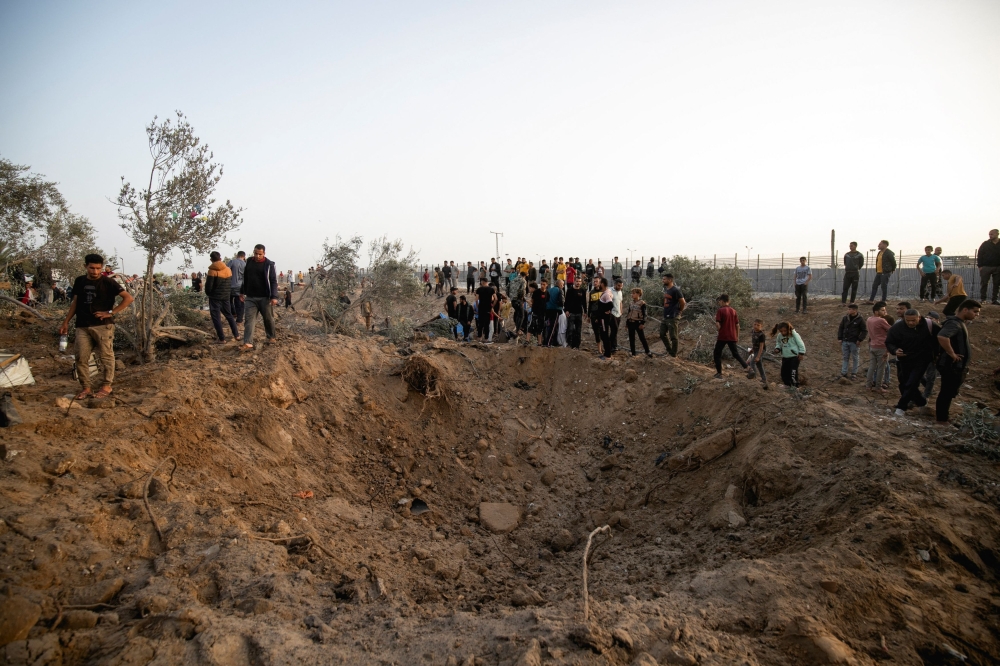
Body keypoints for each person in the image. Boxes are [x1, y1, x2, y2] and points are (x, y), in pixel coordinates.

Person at [58, 253, 135, 400]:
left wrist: (111, 313)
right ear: (85, 266)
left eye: (98, 268)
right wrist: (66, 321)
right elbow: (75, 302)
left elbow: (128, 298)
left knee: (106, 356)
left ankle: (107, 385)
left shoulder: (108, 282)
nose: (95, 272)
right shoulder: (80, 281)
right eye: (92, 268)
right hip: (82, 325)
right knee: (81, 358)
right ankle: (86, 388)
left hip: (103, 326)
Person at [885, 308, 939, 417]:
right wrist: (895, 350)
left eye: (913, 320)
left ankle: (901, 407)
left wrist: (937, 355)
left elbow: (941, 338)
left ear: (919, 317)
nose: (910, 323)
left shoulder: (930, 325)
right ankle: (921, 402)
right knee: (904, 383)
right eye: (908, 320)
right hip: (904, 360)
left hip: (922, 360)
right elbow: (889, 342)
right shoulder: (897, 327)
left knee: (912, 382)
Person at [935, 300, 981, 425]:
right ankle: (941, 419)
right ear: (965, 310)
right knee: (946, 391)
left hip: (956, 365)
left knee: (949, 392)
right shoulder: (954, 324)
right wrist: (952, 354)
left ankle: (944, 416)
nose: (976, 315)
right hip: (951, 365)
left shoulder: (959, 323)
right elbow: (942, 336)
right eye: (975, 311)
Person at [239, 244, 278, 350]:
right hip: (251, 297)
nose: (257, 256)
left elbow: (273, 281)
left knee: (268, 318)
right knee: (249, 319)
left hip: (265, 297)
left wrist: (274, 296)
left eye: (260, 254)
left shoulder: (269, 264)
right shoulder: (249, 262)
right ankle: (248, 342)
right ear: (253, 252)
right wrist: (242, 291)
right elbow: (245, 278)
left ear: (264, 253)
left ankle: (271, 336)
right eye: (256, 253)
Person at [205, 251, 239, 343]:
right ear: (220, 258)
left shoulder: (212, 270)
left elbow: (209, 286)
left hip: (215, 298)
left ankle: (222, 339)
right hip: (226, 296)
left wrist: (209, 293)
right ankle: (236, 335)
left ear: (211, 259)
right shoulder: (228, 269)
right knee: (229, 316)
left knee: (216, 318)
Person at [713, 294, 749, 378]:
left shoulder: (720, 310)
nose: (719, 303)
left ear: (722, 301)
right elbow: (737, 325)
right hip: (732, 336)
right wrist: (737, 336)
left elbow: (718, 324)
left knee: (717, 353)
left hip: (723, 336)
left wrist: (719, 330)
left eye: (720, 302)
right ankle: (748, 368)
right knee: (735, 354)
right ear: (729, 301)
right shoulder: (733, 311)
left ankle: (719, 373)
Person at [865, 302, 892, 391]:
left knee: (872, 366)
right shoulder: (881, 320)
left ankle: (868, 385)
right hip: (881, 346)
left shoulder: (869, 319)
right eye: (883, 310)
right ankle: (878, 387)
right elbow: (892, 330)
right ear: (876, 312)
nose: (885, 312)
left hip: (872, 345)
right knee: (881, 368)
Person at [837, 303, 867, 380]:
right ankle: (844, 372)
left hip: (854, 342)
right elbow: (841, 328)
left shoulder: (860, 319)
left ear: (855, 310)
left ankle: (854, 373)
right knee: (845, 357)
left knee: (855, 357)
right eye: (848, 309)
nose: (848, 311)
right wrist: (840, 338)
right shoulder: (845, 318)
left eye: (850, 309)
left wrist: (860, 339)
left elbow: (864, 331)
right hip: (845, 341)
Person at [659, 273, 686, 357]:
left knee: (673, 336)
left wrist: (680, 311)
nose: (663, 281)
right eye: (663, 279)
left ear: (670, 280)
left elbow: (682, 302)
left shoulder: (675, 290)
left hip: (673, 316)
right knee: (662, 334)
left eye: (664, 279)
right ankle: (669, 350)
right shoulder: (667, 290)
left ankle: (673, 354)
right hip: (666, 316)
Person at [772, 322, 806, 387]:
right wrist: (777, 348)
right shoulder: (780, 336)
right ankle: (787, 385)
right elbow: (778, 343)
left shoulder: (794, 335)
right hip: (785, 356)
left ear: (788, 329)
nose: (783, 333)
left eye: (785, 331)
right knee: (784, 372)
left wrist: (801, 353)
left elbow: (801, 344)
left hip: (794, 357)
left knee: (793, 372)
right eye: (781, 331)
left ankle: (795, 386)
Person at [625, 288, 652, 356]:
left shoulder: (642, 303)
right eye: (632, 293)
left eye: (634, 293)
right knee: (631, 338)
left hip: (638, 323)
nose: (632, 295)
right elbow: (629, 313)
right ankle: (633, 353)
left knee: (642, 338)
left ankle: (647, 351)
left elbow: (645, 314)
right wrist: (627, 324)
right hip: (631, 322)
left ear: (638, 294)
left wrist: (642, 323)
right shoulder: (631, 303)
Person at [977, 229, 1000, 304]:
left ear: (997, 234)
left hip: (998, 267)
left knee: (997, 284)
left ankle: (994, 300)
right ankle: (983, 299)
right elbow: (980, 254)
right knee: (984, 283)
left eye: (992, 234)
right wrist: (980, 266)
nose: (990, 236)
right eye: (989, 234)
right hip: (986, 267)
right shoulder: (985, 244)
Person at [565, 275, 587, 349]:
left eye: (579, 281)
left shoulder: (582, 291)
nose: (578, 283)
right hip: (571, 313)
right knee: (570, 329)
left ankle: (577, 345)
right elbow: (566, 301)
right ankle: (569, 344)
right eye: (577, 281)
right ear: (574, 281)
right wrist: (566, 310)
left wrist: (585, 312)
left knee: (578, 330)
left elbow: (584, 302)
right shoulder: (570, 290)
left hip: (579, 313)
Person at [746, 319, 768, 389]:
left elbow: (761, 347)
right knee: (759, 364)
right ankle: (764, 379)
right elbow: (754, 342)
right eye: (755, 324)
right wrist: (752, 349)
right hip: (755, 349)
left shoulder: (762, 335)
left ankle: (753, 376)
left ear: (761, 326)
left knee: (752, 362)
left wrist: (758, 356)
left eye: (758, 325)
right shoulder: (753, 331)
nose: (756, 326)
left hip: (760, 350)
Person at [596, 277, 615, 358]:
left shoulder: (606, 294)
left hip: (604, 319)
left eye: (600, 283)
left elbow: (610, 304)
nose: (599, 285)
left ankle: (607, 354)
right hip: (602, 318)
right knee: (604, 335)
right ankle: (607, 353)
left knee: (604, 335)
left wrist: (605, 311)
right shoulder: (606, 292)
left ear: (602, 284)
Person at [543, 279, 563, 346]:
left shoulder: (549, 290)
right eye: (562, 285)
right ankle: (548, 343)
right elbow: (561, 301)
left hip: (547, 310)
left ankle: (554, 342)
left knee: (551, 326)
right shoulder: (559, 290)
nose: (563, 286)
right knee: (553, 327)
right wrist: (561, 307)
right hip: (555, 310)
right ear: (560, 284)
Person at [507, 269, 527, 336]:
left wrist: (510, 296)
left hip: (513, 300)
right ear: (524, 276)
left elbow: (507, 288)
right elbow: (522, 290)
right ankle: (518, 330)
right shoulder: (523, 280)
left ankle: (517, 329)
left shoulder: (513, 280)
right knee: (521, 315)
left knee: (517, 313)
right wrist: (522, 298)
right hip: (518, 300)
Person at [475, 278, 495, 342]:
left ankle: (479, 337)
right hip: (488, 308)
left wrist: (478, 306)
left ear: (482, 282)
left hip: (481, 307)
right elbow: (495, 299)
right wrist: (492, 306)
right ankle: (486, 338)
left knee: (480, 323)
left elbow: (476, 299)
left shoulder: (479, 289)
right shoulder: (491, 289)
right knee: (487, 324)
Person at [528, 280, 546, 345]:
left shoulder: (537, 293)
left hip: (538, 313)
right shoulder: (535, 293)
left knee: (537, 327)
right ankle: (537, 341)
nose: (529, 289)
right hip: (536, 312)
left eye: (530, 288)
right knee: (534, 326)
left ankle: (539, 342)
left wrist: (530, 303)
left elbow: (532, 303)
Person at [610, 279, 624, 354]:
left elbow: (620, 301)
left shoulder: (620, 292)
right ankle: (611, 346)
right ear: (615, 284)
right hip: (612, 314)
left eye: (621, 286)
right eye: (618, 286)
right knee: (614, 329)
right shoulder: (610, 291)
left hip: (618, 314)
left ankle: (613, 346)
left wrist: (621, 311)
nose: (620, 287)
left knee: (615, 331)